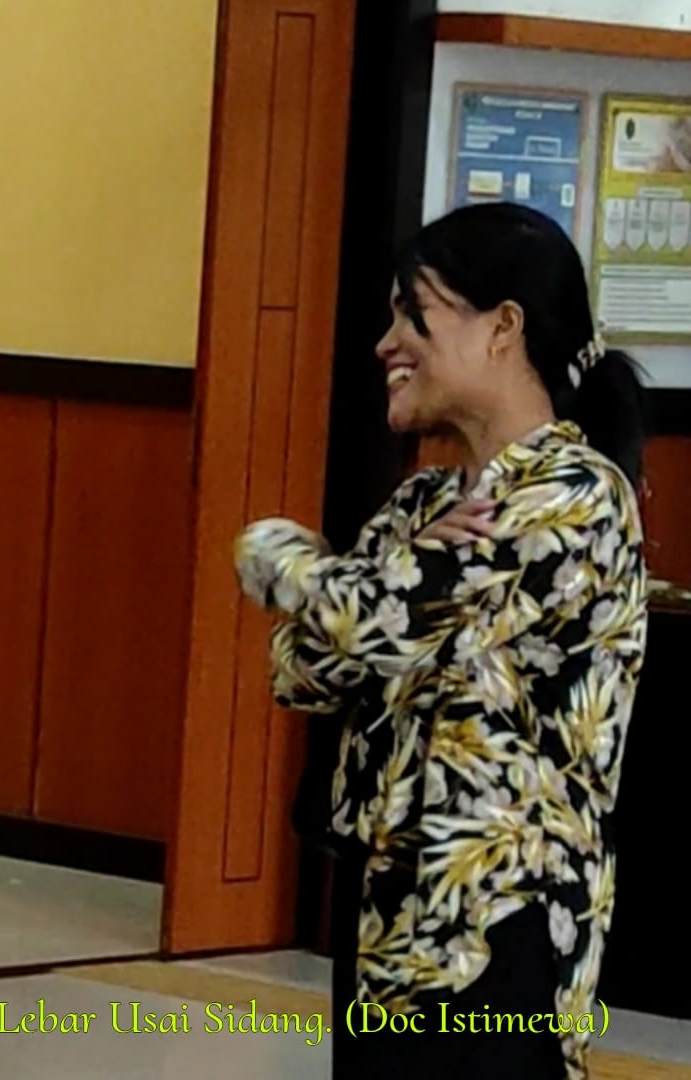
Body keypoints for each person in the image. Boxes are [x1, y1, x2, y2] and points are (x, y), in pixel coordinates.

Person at [234, 202, 649, 1080]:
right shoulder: (424, 503)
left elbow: (367, 617)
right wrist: (359, 588)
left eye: (411, 315)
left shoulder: (572, 495)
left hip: (503, 916)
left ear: (502, 328)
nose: (387, 343)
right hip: (386, 902)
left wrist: (277, 554)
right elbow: (301, 670)